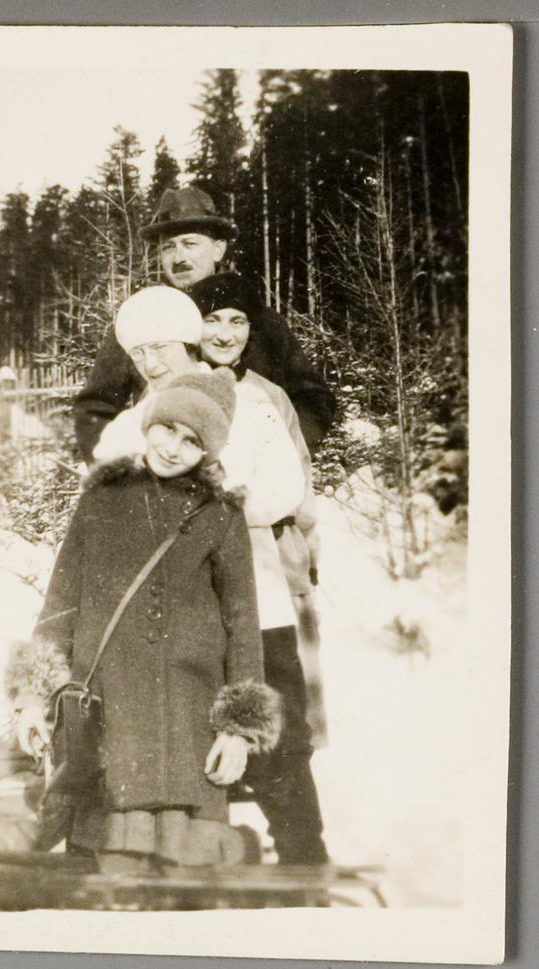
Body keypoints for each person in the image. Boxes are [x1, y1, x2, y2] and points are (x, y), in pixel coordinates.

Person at [6, 368, 282, 870]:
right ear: (150, 422)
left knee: (185, 877)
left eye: (192, 441)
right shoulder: (101, 500)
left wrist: (238, 730)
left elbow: (243, 625)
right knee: (111, 872)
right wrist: (30, 699)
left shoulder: (220, 515)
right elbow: (61, 603)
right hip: (110, 719)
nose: (173, 448)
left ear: (209, 451)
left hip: (189, 724)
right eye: (167, 428)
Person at [189, 271, 330, 863]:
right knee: (197, 711)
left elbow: (296, 487)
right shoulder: (176, 391)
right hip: (195, 580)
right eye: (212, 319)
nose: (225, 333)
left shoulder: (270, 396)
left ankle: (303, 855)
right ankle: (201, 851)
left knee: (280, 720)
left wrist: (299, 554)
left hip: (265, 577)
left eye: (237, 320)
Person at [73, 186, 336, 462]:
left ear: (218, 249)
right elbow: (94, 408)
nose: (179, 258)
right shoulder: (143, 319)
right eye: (168, 247)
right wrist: (123, 471)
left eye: (190, 244)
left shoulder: (260, 321)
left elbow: (314, 399)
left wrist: (278, 454)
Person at [91, 284, 208, 464]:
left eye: (160, 348)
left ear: (188, 347)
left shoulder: (243, 408)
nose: (149, 365)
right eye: (137, 354)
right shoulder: (126, 427)